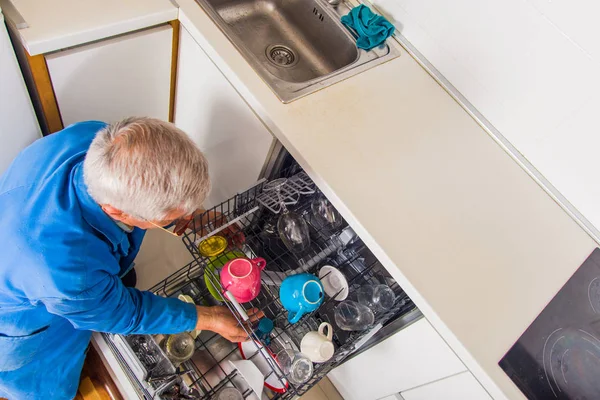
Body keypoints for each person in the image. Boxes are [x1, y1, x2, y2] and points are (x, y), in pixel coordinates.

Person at [0, 117, 260, 399]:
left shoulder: (99, 140)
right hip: (25, 326)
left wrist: (193, 215)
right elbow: (126, 313)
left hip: (21, 234)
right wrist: (208, 317)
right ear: (118, 212)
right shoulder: (69, 272)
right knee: (48, 386)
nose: (180, 221)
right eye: (169, 219)